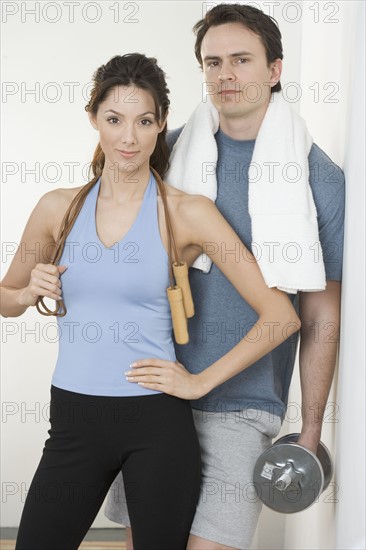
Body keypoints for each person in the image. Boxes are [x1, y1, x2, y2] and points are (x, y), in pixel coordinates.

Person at [0, 51, 300, 550]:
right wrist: (29, 290)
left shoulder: (187, 213)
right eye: (114, 120)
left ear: (162, 124)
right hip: (74, 420)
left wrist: (199, 380)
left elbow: (281, 316)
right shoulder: (58, 209)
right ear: (93, 118)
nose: (128, 138)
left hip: (157, 424)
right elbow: (4, 298)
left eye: (144, 121)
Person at [105, 4, 345, 550]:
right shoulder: (164, 153)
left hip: (244, 407)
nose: (225, 75)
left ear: (274, 70)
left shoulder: (318, 180)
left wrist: (311, 428)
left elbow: (321, 316)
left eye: (241, 60)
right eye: (213, 63)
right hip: (153, 391)